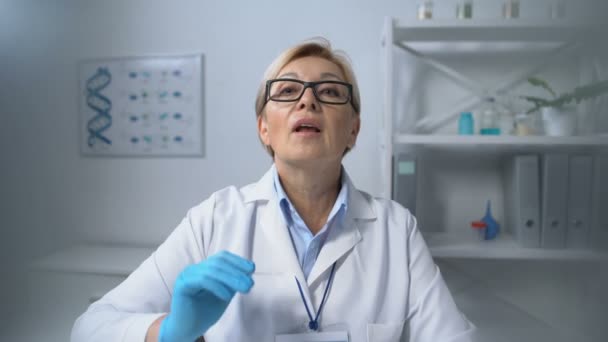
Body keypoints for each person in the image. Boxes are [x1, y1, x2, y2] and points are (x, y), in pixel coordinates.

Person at [71, 38, 475, 342]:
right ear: (264, 127)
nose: (308, 101)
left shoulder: (395, 229)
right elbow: (90, 327)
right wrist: (172, 331)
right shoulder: (214, 219)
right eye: (286, 91)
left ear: (353, 128)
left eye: (330, 92)